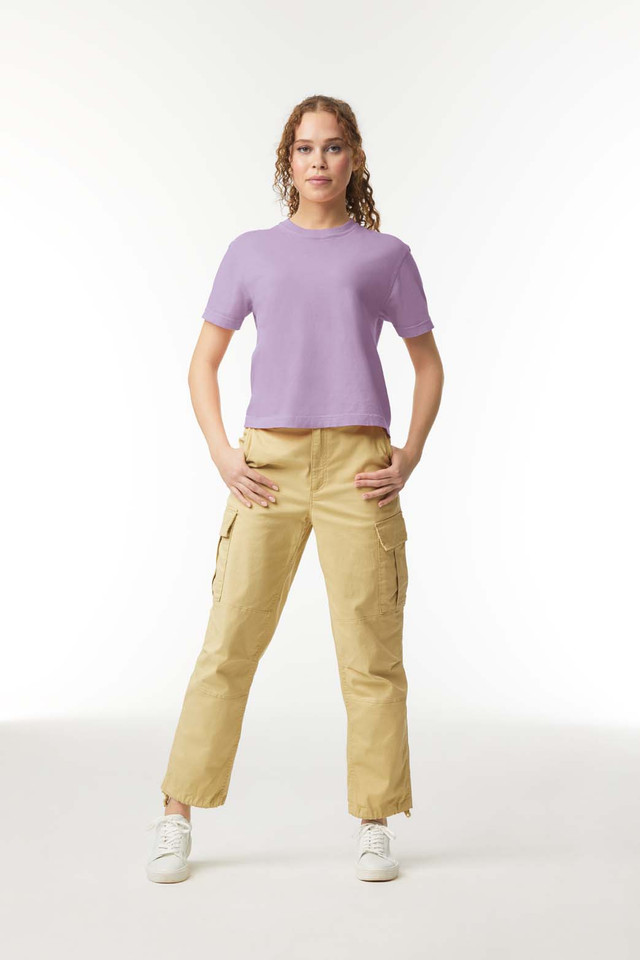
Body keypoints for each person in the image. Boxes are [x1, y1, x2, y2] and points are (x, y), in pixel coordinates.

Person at [146, 94, 444, 884]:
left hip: (358, 471)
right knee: (228, 645)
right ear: (288, 161)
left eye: (333, 147)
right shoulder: (251, 252)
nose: (319, 160)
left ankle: (375, 821)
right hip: (266, 471)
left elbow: (428, 365)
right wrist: (223, 454)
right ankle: (176, 813)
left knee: (371, 656)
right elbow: (202, 363)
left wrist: (408, 455)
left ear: (354, 159)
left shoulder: (385, 256)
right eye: (306, 148)